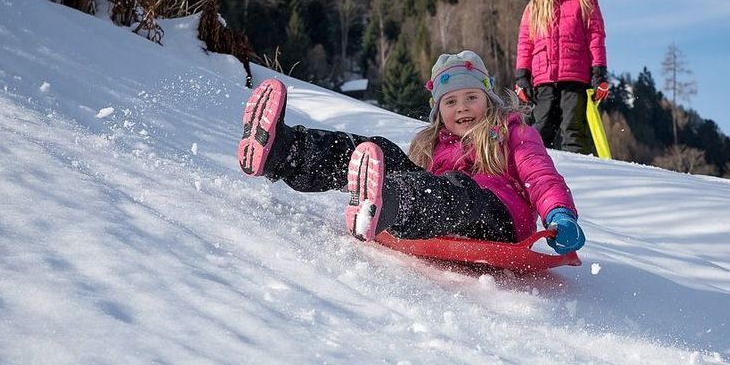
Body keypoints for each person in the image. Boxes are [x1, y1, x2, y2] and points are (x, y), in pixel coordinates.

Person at [236, 50, 586, 254]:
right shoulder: (433, 143)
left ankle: (385, 203)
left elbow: (540, 175)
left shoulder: (511, 130)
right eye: (451, 101)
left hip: (499, 218)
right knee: (379, 150)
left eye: (471, 98)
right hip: (443, 204)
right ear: (438, 109)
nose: (462, 108)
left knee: (455, 192)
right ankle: (284, 150)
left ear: (488, 99)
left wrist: (559, 214)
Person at [515, 0, 610, 155]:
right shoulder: (537, 2)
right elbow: (525, 42)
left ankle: (578, 171)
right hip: (543, 78)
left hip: (576, 76)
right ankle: (539, 171)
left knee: (572, 128)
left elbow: (596, 35)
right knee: (542, 128)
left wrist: (599, 72)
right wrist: (522, 76)